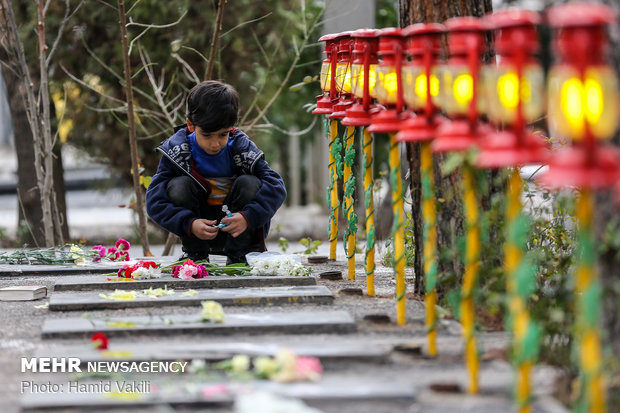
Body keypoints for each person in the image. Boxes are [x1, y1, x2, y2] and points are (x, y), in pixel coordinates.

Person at [146, 80, 286, 264]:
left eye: (223, 134)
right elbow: (154, 201)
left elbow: (276, 187)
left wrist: (248, 217)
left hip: (237, 227)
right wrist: (189, 223)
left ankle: (240, 256)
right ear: (190, 125)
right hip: (198, 229)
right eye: (207, 135)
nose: (215, 144)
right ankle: (195, 256)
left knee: (250, 183)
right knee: (179, 186)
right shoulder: (177, 152)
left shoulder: (242, 150)